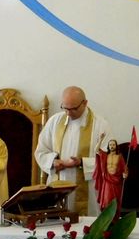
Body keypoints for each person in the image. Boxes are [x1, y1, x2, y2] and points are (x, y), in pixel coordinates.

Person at [35, 86, 110, 215]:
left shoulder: (100, 125)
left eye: (73, 109)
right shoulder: (54, 121)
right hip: (57, 187)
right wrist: (53, 162)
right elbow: (41, 151)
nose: (68, 113)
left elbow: (108, 160)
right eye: (65, 108)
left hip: (88, 190)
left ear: (85, 103)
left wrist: (81, 163)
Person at [93, 139, 128, 216]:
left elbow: (124, 168)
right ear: (108, 146)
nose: (112, 146)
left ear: (116, 146)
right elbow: (96, 150)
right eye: (110, 145)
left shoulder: (119, 156)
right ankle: (107, 219)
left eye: (113, 145)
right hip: (107, 180)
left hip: (117, 182)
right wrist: (100, 139)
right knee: (107, 200)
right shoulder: (105, 155)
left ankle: (114, 219)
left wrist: (125, 174)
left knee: (115, 201)